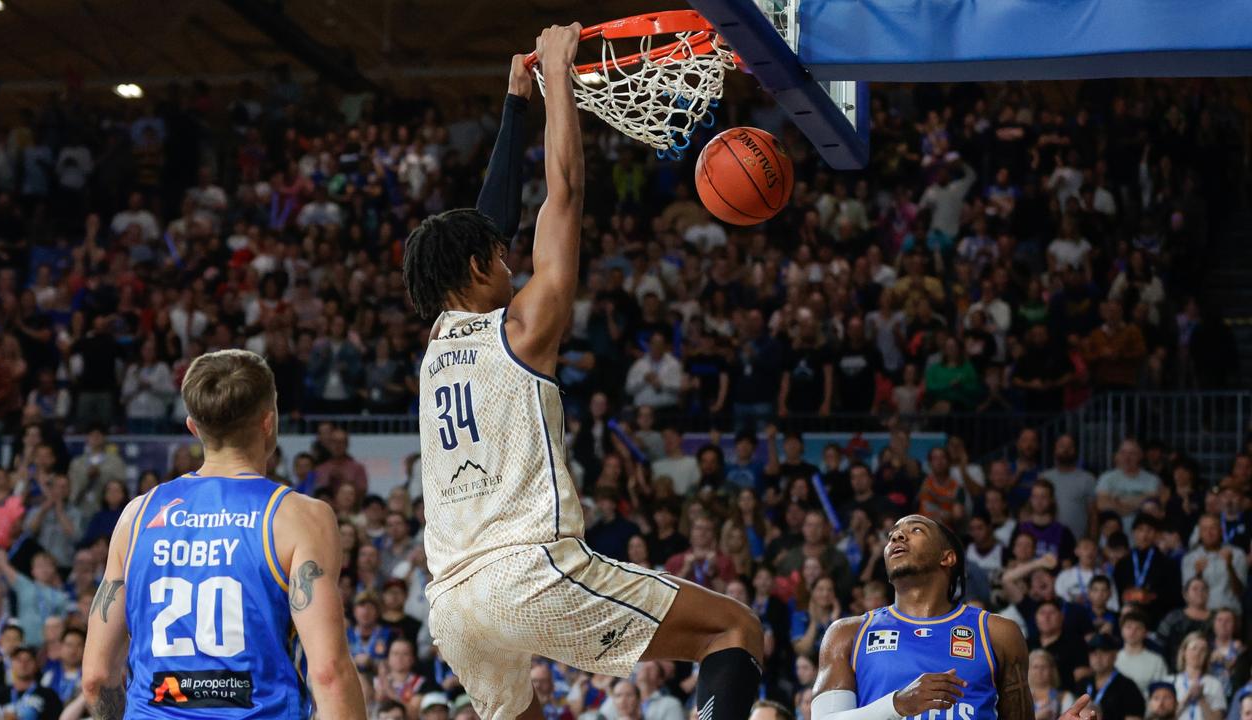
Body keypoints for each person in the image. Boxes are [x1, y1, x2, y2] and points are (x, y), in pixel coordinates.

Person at [403, 25, 763, 720]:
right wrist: (560, 82)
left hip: (450, 603)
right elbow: (562, 194)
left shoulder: (437, 341)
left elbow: (486, 223)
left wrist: (514, 106)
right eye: (499, 258)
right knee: (734, 628)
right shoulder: (522, 328)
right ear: (480, 269)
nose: (511, 262)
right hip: (525, 570)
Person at [81, 350, 365, 719]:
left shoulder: (136, 516)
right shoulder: (300, 517)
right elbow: (328, 674)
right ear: (268, 421)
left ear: (193, 427)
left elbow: (96, 678)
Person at [809, 514, 1098, 720]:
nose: (897, 536)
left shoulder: (998, 633)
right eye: (893, 534)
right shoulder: (847, 634)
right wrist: (897, 705)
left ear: (947, 557)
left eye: (916, 530)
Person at [1085, 634, 1146, 720]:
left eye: (1104, 651)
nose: (1098, 657)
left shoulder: (1128, 687)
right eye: (1093, 652)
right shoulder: (1082, 683)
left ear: (1115, 655)